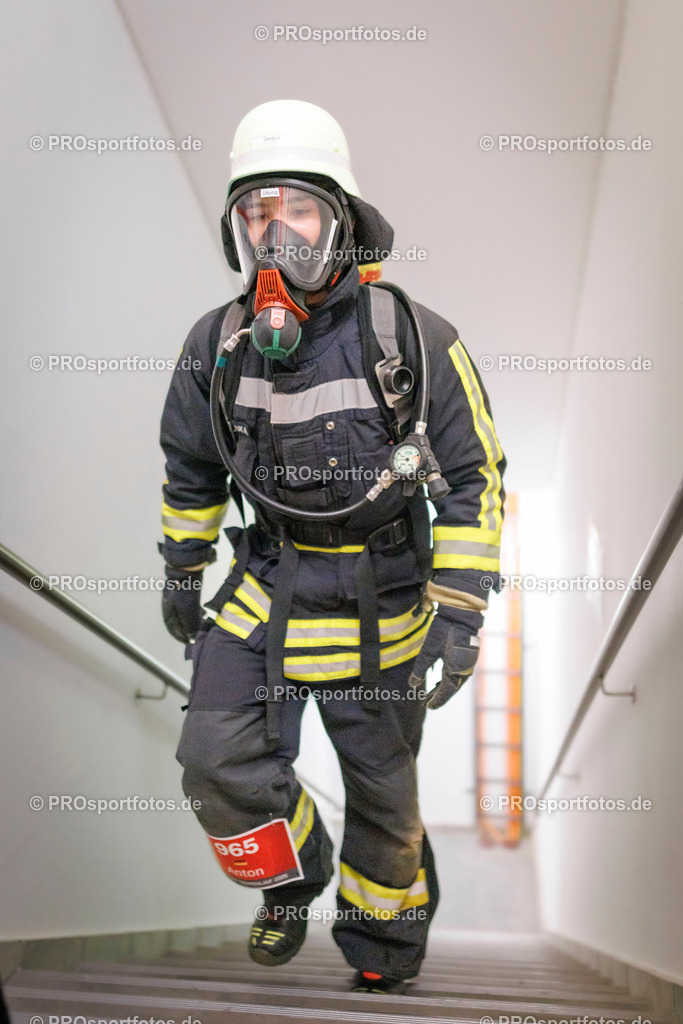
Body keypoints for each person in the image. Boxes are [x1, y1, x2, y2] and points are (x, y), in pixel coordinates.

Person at [159, 99, 506, 994]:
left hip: (384, 594)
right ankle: (291, 876)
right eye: (255, 212)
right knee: (213, 760)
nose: (277, 235)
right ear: (237, 228)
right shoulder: (216, 345)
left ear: (340, 220)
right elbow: (191, 469)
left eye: (297, 209)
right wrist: (183, 567)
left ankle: (382, 953)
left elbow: (475, 479)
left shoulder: (416, 339)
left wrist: (461, 611)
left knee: (384, 802)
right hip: (264, 585)